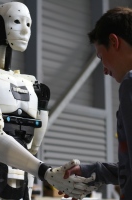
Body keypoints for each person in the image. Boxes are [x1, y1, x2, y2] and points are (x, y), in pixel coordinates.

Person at [0, 2, 96, 200]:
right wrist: (45, 171)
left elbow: (33, 147)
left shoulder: (35, 87)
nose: (25, 30)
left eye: (29, 24)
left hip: (24, 178)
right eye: (17, 21)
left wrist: (41, 171)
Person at [62, 6, 132, 200]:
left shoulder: (130, 84)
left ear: (114, 41)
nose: (105, 70)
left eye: (101, 57)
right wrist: (92, 172)